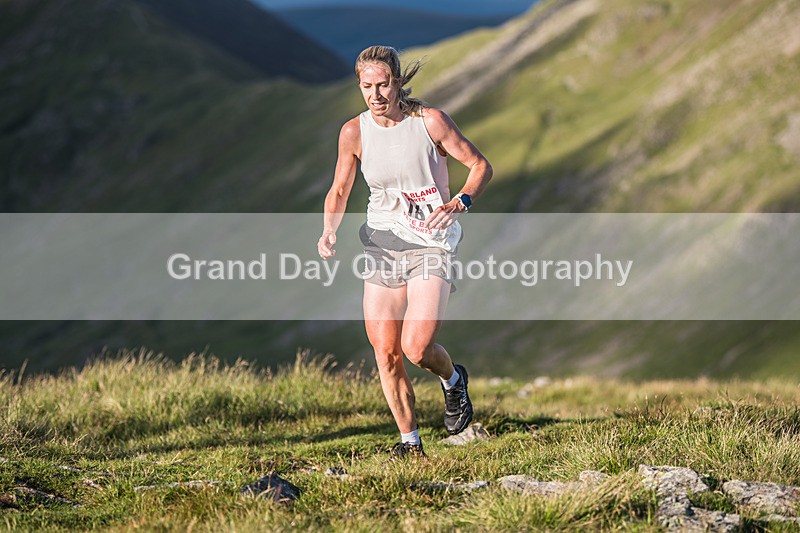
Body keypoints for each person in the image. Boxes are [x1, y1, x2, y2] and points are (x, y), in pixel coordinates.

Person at [317, 45, 492, 459]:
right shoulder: (353, 132)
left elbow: (480, 166)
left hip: (431, 244)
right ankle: (410, 443)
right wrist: (328, 230)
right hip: (381, 243)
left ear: (398, 81)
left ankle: (453, 381)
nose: (376, 95)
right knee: (386, 351)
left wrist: (460, 202)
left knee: (416, 348)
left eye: (383, 84)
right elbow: (340, 189)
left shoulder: (429, 122)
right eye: (366, 86)